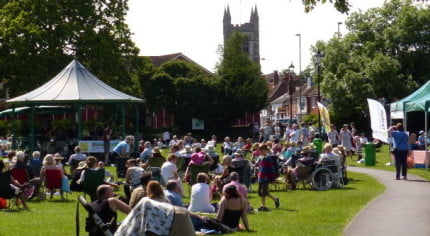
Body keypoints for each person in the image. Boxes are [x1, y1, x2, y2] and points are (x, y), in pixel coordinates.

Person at [255, 144, 279, 211]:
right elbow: (260, 167)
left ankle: (263, 205)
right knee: (261, 192)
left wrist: (273, 178)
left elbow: (271, 169)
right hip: (260, 176)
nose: (261, 152)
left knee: (264, 192)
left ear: (266, 150)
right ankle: (274, 200)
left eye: (262, 151)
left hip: (266, 177)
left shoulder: (268, 158)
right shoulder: (261, 157)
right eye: (260, 151)